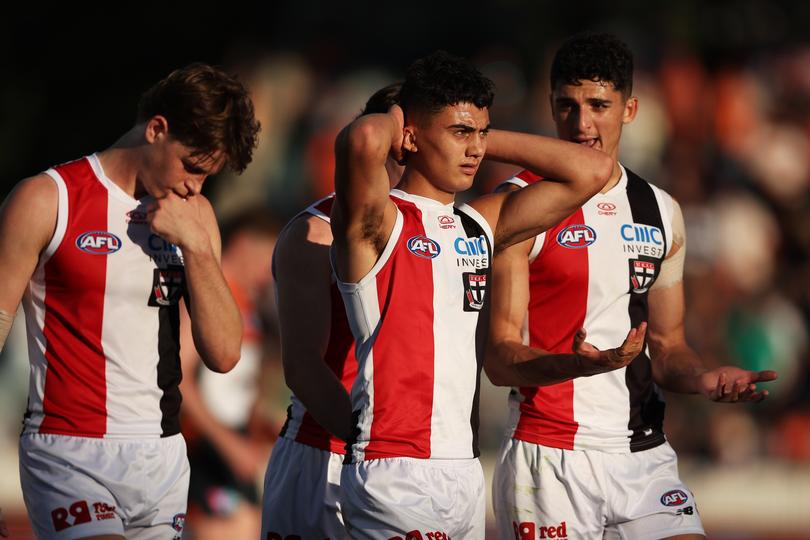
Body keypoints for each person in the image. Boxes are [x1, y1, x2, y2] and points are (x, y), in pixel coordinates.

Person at [330, 50, 642, 539]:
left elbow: (592, 170)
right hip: (393, 466)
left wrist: (475, 132)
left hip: (463, 469)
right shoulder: (380, 224)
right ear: (409, 136)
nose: (475, 149)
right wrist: (404, 114)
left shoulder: (478, 225)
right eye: (460, 134)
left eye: (482, 134)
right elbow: (366, 138)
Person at [486, 32, 778, 540]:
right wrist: (576, 366)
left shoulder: (661, 211)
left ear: (631, 108)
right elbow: (499, 358)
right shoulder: (517, 205)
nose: (582, 123)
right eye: (567, 106)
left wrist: (704, 378)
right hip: (551, 455)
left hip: (642, 454)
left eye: (599, 105)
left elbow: (668, 348)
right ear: (551, 109)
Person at [0, 63, 259, 539]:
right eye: (192, 167)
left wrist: (198, 247)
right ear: (157, 129)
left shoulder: (197, 216)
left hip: (161, 455)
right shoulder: (46, 198)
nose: (195, 187)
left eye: (209, 177)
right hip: (70, 450)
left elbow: (223, 353)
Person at [261, 82, 403, 540]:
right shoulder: (314, 233)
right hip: (327, 456)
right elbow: (303, 369)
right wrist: (375, 448)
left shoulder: (446, 231)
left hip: (411, 459)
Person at [179, 208, 279, 540]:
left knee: (253, 525)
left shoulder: (249, 304)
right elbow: (179, 380)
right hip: (203, 447)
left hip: (234, 446)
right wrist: (227, 444)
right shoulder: (207, 295)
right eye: (268, 259)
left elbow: (237, 385)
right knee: (236, 529)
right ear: (244, 245)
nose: (270, 274)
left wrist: (266, 423)